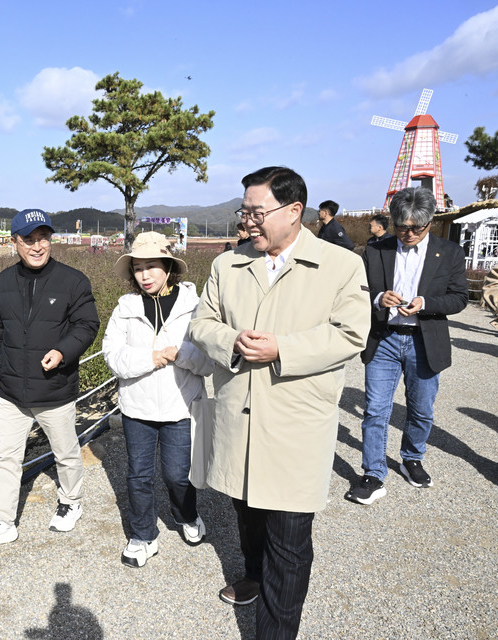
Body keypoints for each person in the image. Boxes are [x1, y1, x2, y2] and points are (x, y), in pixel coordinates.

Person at [189, 167, 370, 639]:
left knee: (289, 544)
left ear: (294, 212)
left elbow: (351, 333)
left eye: (256, 212)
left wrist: (281, 350)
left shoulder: (341, 266)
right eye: (244, 210)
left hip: (295, 428)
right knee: (246, 513)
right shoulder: (227, 265)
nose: (247, 221)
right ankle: (251, 574)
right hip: (237, 420)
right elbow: (202, 323)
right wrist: (231, 339)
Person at [0, 209, 100, 551]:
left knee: (66, 452)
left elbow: (87, 325)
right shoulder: (3, 283)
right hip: (12, 391)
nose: (37, 246)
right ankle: (2, 521)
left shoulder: (73, 281)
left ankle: (71, 500)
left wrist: (62, 352)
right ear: (15, 243)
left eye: (43, 238)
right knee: (7, 458)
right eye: (29, 239)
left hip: (55, 388)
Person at [346, 187, 468, 505]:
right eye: (402, 226)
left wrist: (426, 303)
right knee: (375, 411)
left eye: (417, 227)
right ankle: (373, 473)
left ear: (430, 223)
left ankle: (411, 458)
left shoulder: (450, 252)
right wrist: (377, 299)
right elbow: (357, 293)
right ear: (393, 221)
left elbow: (460, 297)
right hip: (384, 338)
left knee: (421, 409)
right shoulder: (376, 250)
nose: (409, 233)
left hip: (425, 340)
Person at [102, 232, 214, 567]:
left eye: (152, 266)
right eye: (138, 268)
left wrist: (180, 354)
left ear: (169, 267)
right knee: (138, 475)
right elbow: (112, 355)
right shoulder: (126, 308)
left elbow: (209, 361)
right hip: (138, 407)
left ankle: (186, 514)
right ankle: (142, 535)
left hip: (182, 405)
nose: (145, 275)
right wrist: (151, 358)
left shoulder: (195, 306)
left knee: (179, 474)